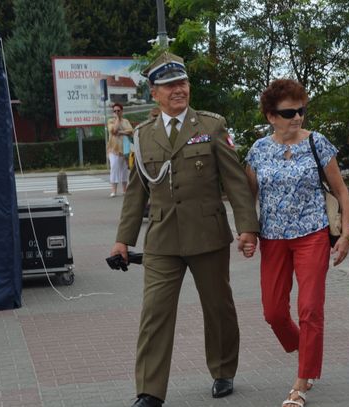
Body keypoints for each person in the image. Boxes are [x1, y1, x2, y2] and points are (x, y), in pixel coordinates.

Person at [109, 52, 259, 407]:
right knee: (154, 313)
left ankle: (223, 369)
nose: (179, 90)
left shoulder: (210, 126)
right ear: (154, 92)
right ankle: (149, 390)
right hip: (162, 239)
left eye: (182, 83)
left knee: (218, 308)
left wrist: (247, 228)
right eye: (169, 85)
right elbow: (136, 193)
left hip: (208, 235)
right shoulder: (144, 135)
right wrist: (122, 241)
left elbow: (236, 182)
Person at [244, 79, 349, 407]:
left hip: (313, 235)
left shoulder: (318, 143)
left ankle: (302, 383)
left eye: (301, 110)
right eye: (288, 112)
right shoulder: (258, 150)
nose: (297, 117)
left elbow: (342, 191)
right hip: (273, 239)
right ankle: (305, 348)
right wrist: (247, 232)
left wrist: (346, 233)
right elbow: (248, 198)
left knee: (310, 308)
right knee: (274, 312)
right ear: (270, 116)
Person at [107, 103, 133, 197]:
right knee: (114, 167)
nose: (116, 112)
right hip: (113, 149)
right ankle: (113, 190)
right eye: (115, 111)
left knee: (124, 169)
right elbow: (113, 131)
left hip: (125, 149)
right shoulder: (111, 121)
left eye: (118, 111)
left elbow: (131, 131)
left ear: (122, 111)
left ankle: (124, 190)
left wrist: (121, 132)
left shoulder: (126, 121)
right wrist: (117, 119)